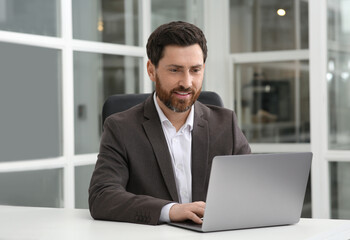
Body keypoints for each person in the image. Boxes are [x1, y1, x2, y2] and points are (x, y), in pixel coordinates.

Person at [88, 21, 251, 225]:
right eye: (175, 70)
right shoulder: (120, 127)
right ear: (151, 70)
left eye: (195, 70)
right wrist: (170, 211)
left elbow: (251, 189)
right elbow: (102, 197)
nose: (187, 82)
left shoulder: (226, 124)